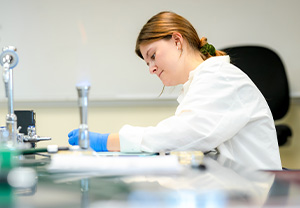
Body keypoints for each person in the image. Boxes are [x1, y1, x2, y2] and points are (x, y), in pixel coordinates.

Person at [68, 11, 282, 170]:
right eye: (147, 63)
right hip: (236, 191)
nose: (151, 69)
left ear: (177, 41)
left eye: (152, 56)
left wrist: (106, 141)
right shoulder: (200, 84)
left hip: (257, 197)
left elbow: (183, 136)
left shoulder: (221, 78)